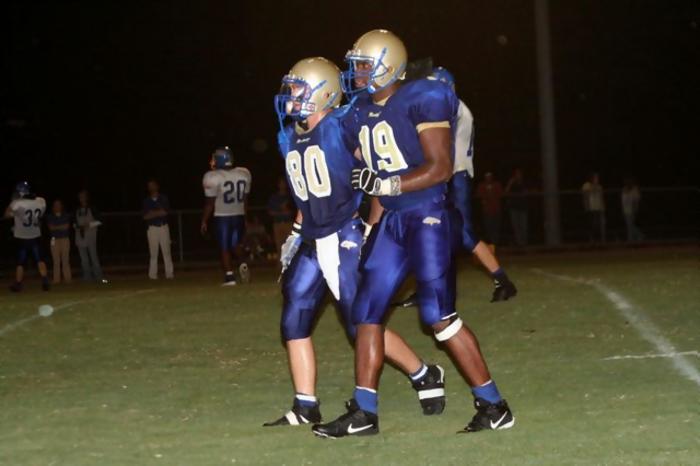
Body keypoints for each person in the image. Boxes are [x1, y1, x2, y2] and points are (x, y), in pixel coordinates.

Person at [313, 30, 513, 438]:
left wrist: (387, 185)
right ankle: (364, 412)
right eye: (356, 66)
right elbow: (369, 170)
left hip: (427, 216)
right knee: (366, 312)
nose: (358, 74)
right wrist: (370, 226)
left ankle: (494, 405)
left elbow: (440, 167)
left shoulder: (422, 97)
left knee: (439, 318)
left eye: (364, 65)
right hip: (392, 219)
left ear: (389, 64)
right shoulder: (359, 112)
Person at [265, 57, 445, 427]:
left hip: (342, 234)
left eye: (298, 88)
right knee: (293, 319)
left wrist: (374, 225)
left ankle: (424, 373)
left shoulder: (343, 125)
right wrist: (295, 233)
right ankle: (305, 405)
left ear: (323, 92)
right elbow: (306, 194)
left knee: (360, 323)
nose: (290, 95)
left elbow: (379, 169)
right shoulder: (288, 136)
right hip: (312, 238)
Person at [394, 67, 517, 306]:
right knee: (428, 229)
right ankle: (427, 287)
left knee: (462, 233)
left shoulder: (451, 107)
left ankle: (503, 281)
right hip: (451, 174)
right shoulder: (456, 106)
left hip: (453, 176)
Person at [201, 147, 251, 286]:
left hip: (222, 216)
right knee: (235, 245)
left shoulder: (212, 177)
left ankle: (230, 277)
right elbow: (245, 199)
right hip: (239, 214)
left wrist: (204, 220)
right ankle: (243, 263)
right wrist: (245, 217)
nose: (212, 161)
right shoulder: (244, 173)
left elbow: (210, 203)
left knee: (224, 247)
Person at [4, 182, 50, 291]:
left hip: (22, 236)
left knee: (20, 262)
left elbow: (6, 214)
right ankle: (45, 281)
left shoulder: (17, 203)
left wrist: (12, 206)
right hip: (35, 235)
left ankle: (18, 284)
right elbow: (39, 215)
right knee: (40, 259)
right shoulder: (41, 201)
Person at [142, 179, 174, 279]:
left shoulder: (163, 198)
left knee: (166, 252)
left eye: (153, 185)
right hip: (152, 229)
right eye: (149, 186)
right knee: (153, 253)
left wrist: (153, 213)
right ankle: (152, 275)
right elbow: (145, 216)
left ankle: (169, 274)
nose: (151, 187)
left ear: (157, 186)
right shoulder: (146, 201)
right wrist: (157, 212)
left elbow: (165, 212)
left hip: (163, 227)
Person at [75, 189, 106, 282]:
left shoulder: (92, 208)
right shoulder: (77, 209)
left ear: (87, 197)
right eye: (80, 197)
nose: (82, 198)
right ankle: (87, 277)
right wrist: (78, 226)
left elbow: (100, 221)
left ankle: (99, 276)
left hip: (91, 236)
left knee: (93, 257)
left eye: (83, 196)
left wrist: (89, 225)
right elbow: (74, 223)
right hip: (80, 236)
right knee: (83, 259)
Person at [46, 199, 72, 284]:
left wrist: (56, 227)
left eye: (58, 204)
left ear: (61, 206)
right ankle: (56, 280)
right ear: (53, 207)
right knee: (56, 261)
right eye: (55, 205)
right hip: (54, 239)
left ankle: (68, 279)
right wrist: (61, 227)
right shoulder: (50, 216)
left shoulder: (66, 215)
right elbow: (51, 228)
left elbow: (66, 226)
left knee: (65, 260)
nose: (57, 206)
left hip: (65, 239)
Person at [267, 177, 295, 256]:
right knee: (279, 247)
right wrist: (281, 211)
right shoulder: (274, 198)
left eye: (284, 183)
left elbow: (292, 212)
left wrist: (284, 212)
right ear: (278, 185)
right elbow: (270, 212)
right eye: (281, 183)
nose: (282, 185)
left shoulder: (290, 197)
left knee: (290, 247)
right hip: (278, 224)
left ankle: (290, 263)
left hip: (288, 223)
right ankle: (280, 263)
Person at [476, 172, 504, 245]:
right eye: (487, 176)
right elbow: (479, 195)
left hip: (496, 209)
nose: (488, 178)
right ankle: (491, 242)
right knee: (488, 227)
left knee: (496, 226)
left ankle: (496, 242)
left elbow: (501, 193)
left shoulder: (497, 184)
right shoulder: (481, 185)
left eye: (490, 176)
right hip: (487, 210)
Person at [505, 168, 529, 246]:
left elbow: (527, 192)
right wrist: (510, 183)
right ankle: (519, 243)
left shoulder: (524, 182)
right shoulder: (512, 183)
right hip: (514, 207)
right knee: (516, 226)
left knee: (524, 226)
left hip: (523, 207)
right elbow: (506, 192)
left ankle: (524, 242)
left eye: (519, 173)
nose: (518, 175)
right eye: (516, 174)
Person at [582, 172, 606, 242]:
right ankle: (592, 239)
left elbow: (601, 197)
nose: (597, 179)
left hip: (598, 207)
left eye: (597, 178)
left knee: (599, 224)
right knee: (592, 224)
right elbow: (585, 196)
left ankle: (599, 239)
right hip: (591, 208)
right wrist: (586, 206)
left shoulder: (599, 187)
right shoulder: (586, 185)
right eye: (595, 178)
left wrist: (603, 207)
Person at [622, 177, 643, 242]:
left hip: (631, 210)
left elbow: (637, 199)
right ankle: (638, 236)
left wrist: (635, 208)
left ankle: (632, 239)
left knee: (630, 225)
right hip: (627, 210)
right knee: (630, 225)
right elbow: (623, 201)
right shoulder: (625, 190)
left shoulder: (634, 190)